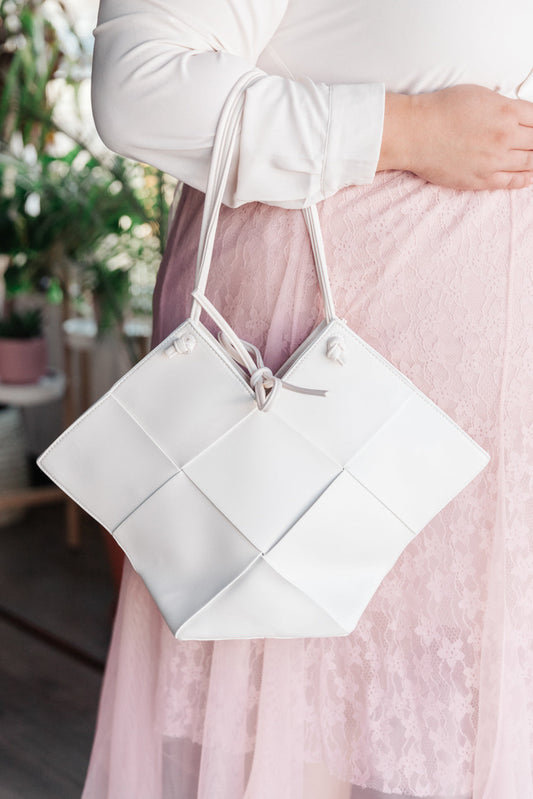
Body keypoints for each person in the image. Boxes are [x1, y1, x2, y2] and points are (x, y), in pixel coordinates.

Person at [82, 1, 533, 797]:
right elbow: (139, 84)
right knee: (296, 744)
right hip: (313, 416)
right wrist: (403, 132)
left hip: (486, 447)